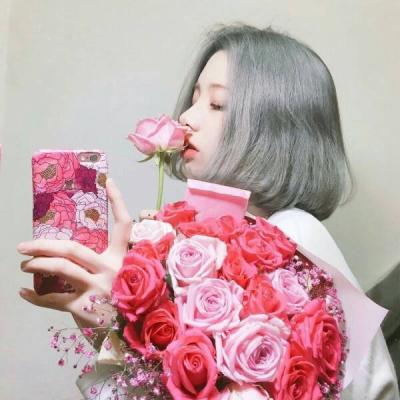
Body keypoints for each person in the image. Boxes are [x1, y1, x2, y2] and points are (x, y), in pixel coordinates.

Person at [18, 23, 399, 399]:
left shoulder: (296, 233)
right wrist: (111, 324)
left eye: (217, 104)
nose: (186, 116)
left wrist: (125, 318)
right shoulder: (200, 245)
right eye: (195, 98)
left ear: (277, 127)